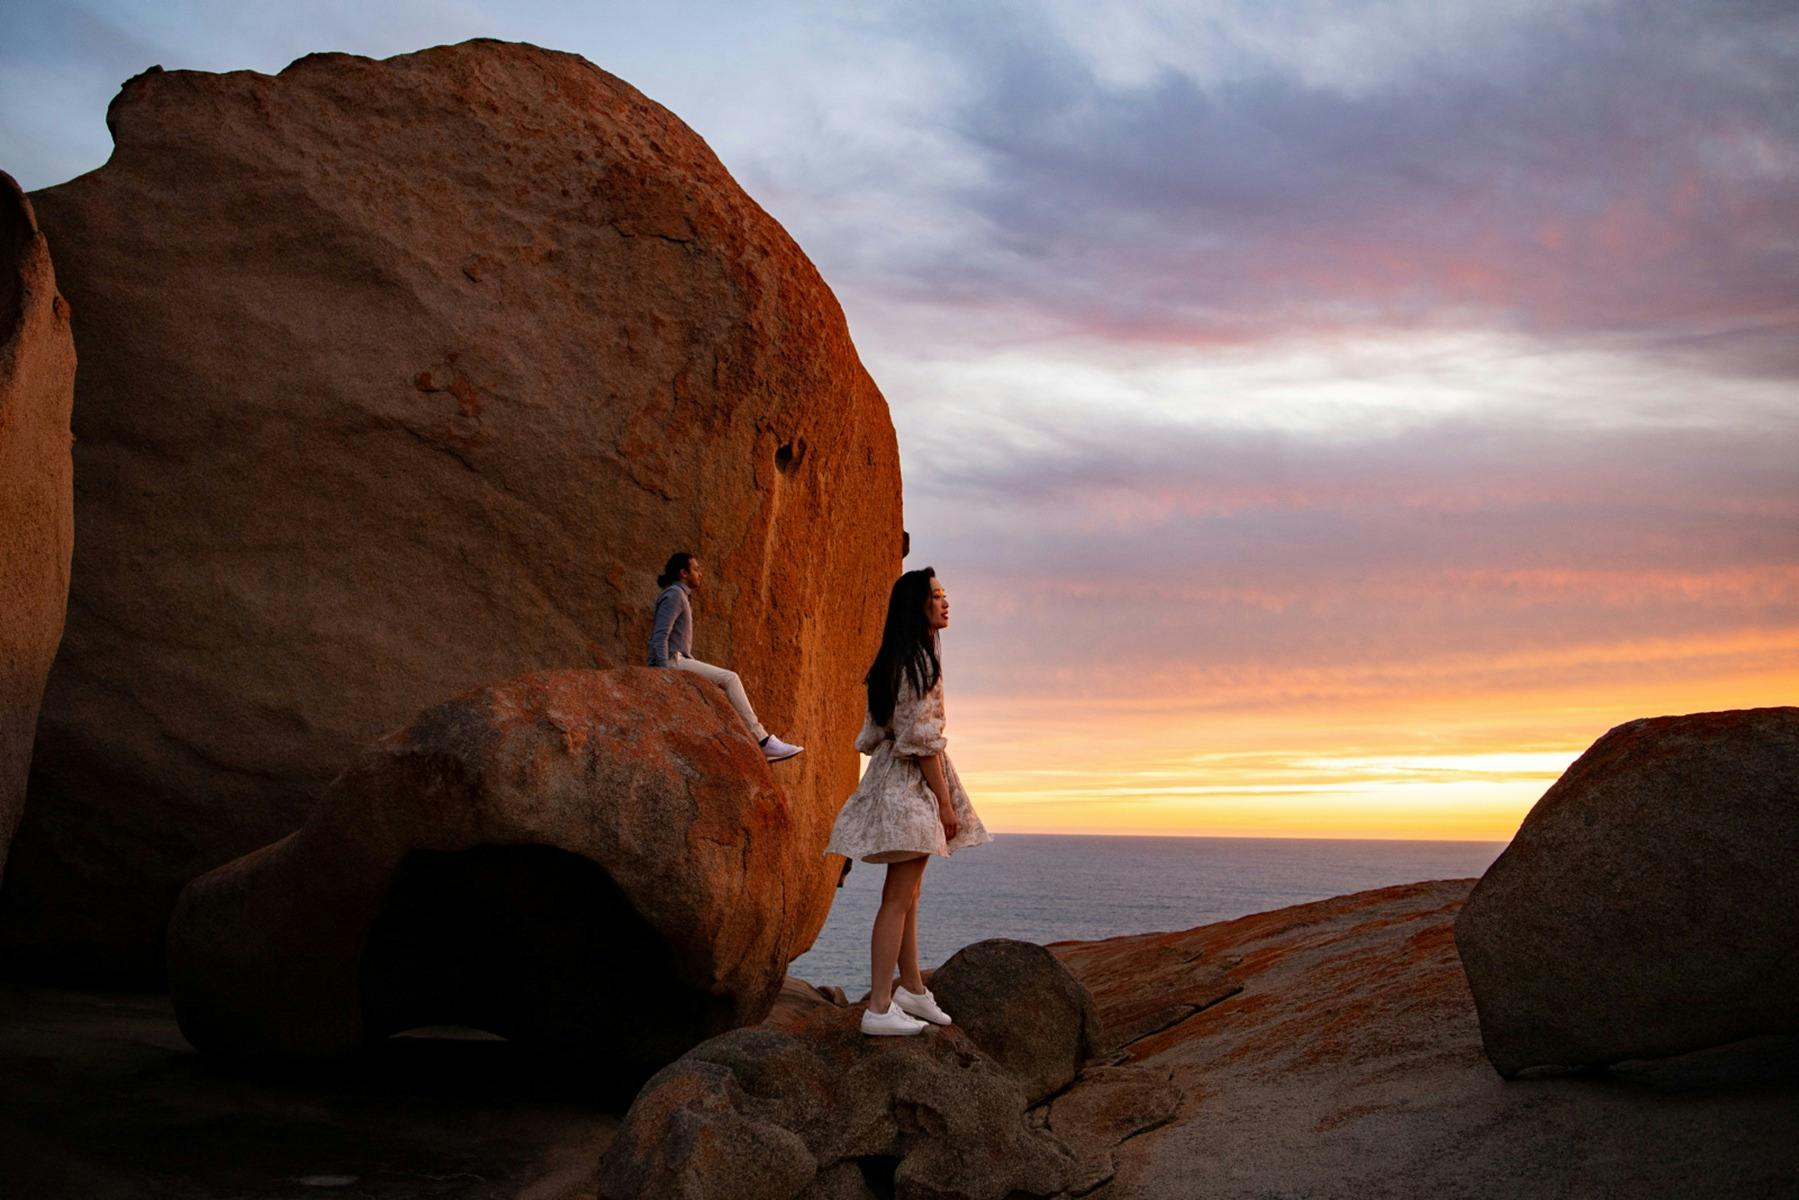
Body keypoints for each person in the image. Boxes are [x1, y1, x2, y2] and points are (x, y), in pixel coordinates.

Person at [824, 567, 992, 1035]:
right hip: (911, 785)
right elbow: (920, 740)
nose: (945, 601)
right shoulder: (919, 662)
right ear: (916, 606)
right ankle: (879, 1008)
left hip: (892, 778)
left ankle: (911, 988)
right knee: (898, 898)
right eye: (936, 596)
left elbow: (875, 733)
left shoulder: (896, 659)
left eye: (944, 594)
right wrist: (944, 802)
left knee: (909, 894)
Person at [648, 551, 803, 763]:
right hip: (673, 662)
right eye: (696, 569)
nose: (700, 574)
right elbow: (660, 634)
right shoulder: (675, 595)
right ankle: (763, 740)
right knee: (730, 678)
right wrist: (662, 674)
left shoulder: (680, 595)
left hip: (678, 660)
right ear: (683, 573)